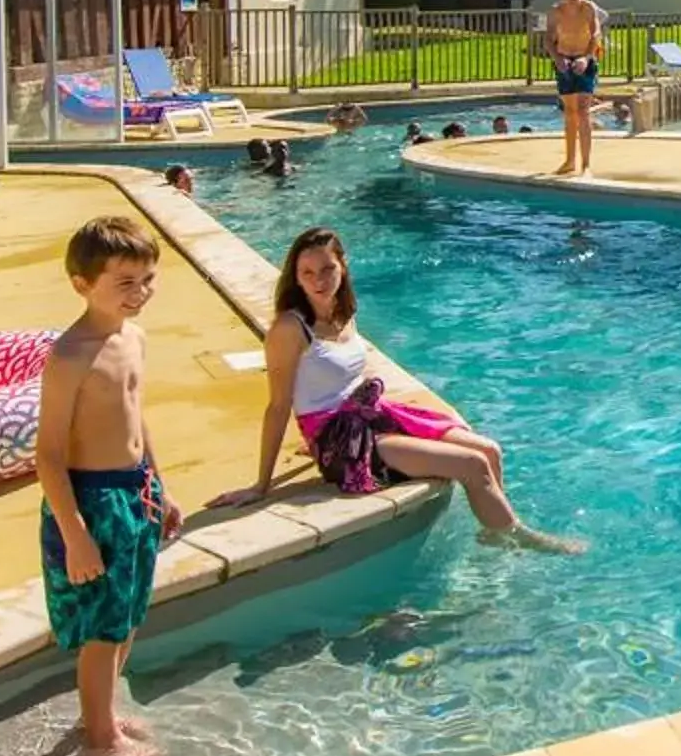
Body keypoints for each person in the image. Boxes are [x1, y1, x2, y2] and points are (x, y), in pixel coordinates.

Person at [207, 227, 582, 553]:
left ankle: (494, 530)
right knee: (471, 464)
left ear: (343, 265)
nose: (319, 280)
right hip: (339, 440)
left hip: (370, 418)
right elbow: (278, 405)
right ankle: (516, 538)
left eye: (327, 269)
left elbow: (343, 380)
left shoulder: (344, 309)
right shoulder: (289, 329)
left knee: (488, 450)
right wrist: (261, 485)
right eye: (307, 273)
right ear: (296, 278)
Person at [34, 215, 184, 756]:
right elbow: (48, 454)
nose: (140, 293)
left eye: (147, 280)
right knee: (102, 623)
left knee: (129, 610)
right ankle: (99, 739)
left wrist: (160, 488)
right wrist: (74, 535)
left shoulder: (134, 338)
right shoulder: (70, 356)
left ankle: (103, 713)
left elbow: (137, 421)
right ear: (82, 283)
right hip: (92, 501)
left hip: (134, 490)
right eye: (125, 283)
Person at [545, 0, 609, 176]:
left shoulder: (588, 9)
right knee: (570, 113)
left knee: (583, 111)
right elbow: (548, 38)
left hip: (585, 61)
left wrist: (587, 57)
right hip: (564, 60)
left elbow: (596, 34)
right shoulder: (556, 11)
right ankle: (570, 161)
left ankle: (586, 165)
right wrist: (557, 58)